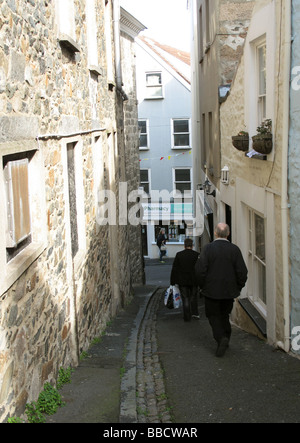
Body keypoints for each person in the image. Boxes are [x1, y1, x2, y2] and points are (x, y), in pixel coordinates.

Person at [195, 223, 248, 357]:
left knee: (213, 316)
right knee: (224, 315)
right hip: (229, 291)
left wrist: (202, 286)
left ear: (215, 233)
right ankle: (226, 337)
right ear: (228, 234)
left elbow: (200, 270)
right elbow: (242, 271)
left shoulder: (208, 249)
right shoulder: (234, 250)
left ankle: (221, 338)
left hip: (211, 291)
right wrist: (238, 287)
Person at [170, 238, 200, 322]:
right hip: (194, 280)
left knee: (185, 298)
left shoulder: (179, 255)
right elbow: (200, 269)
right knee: (193, 297)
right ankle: (195, 313)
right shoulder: (197, 255)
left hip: (182, 281)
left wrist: (172, 281)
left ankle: (187, 316)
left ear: (184, 245)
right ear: (192, 245)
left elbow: (175, 268)